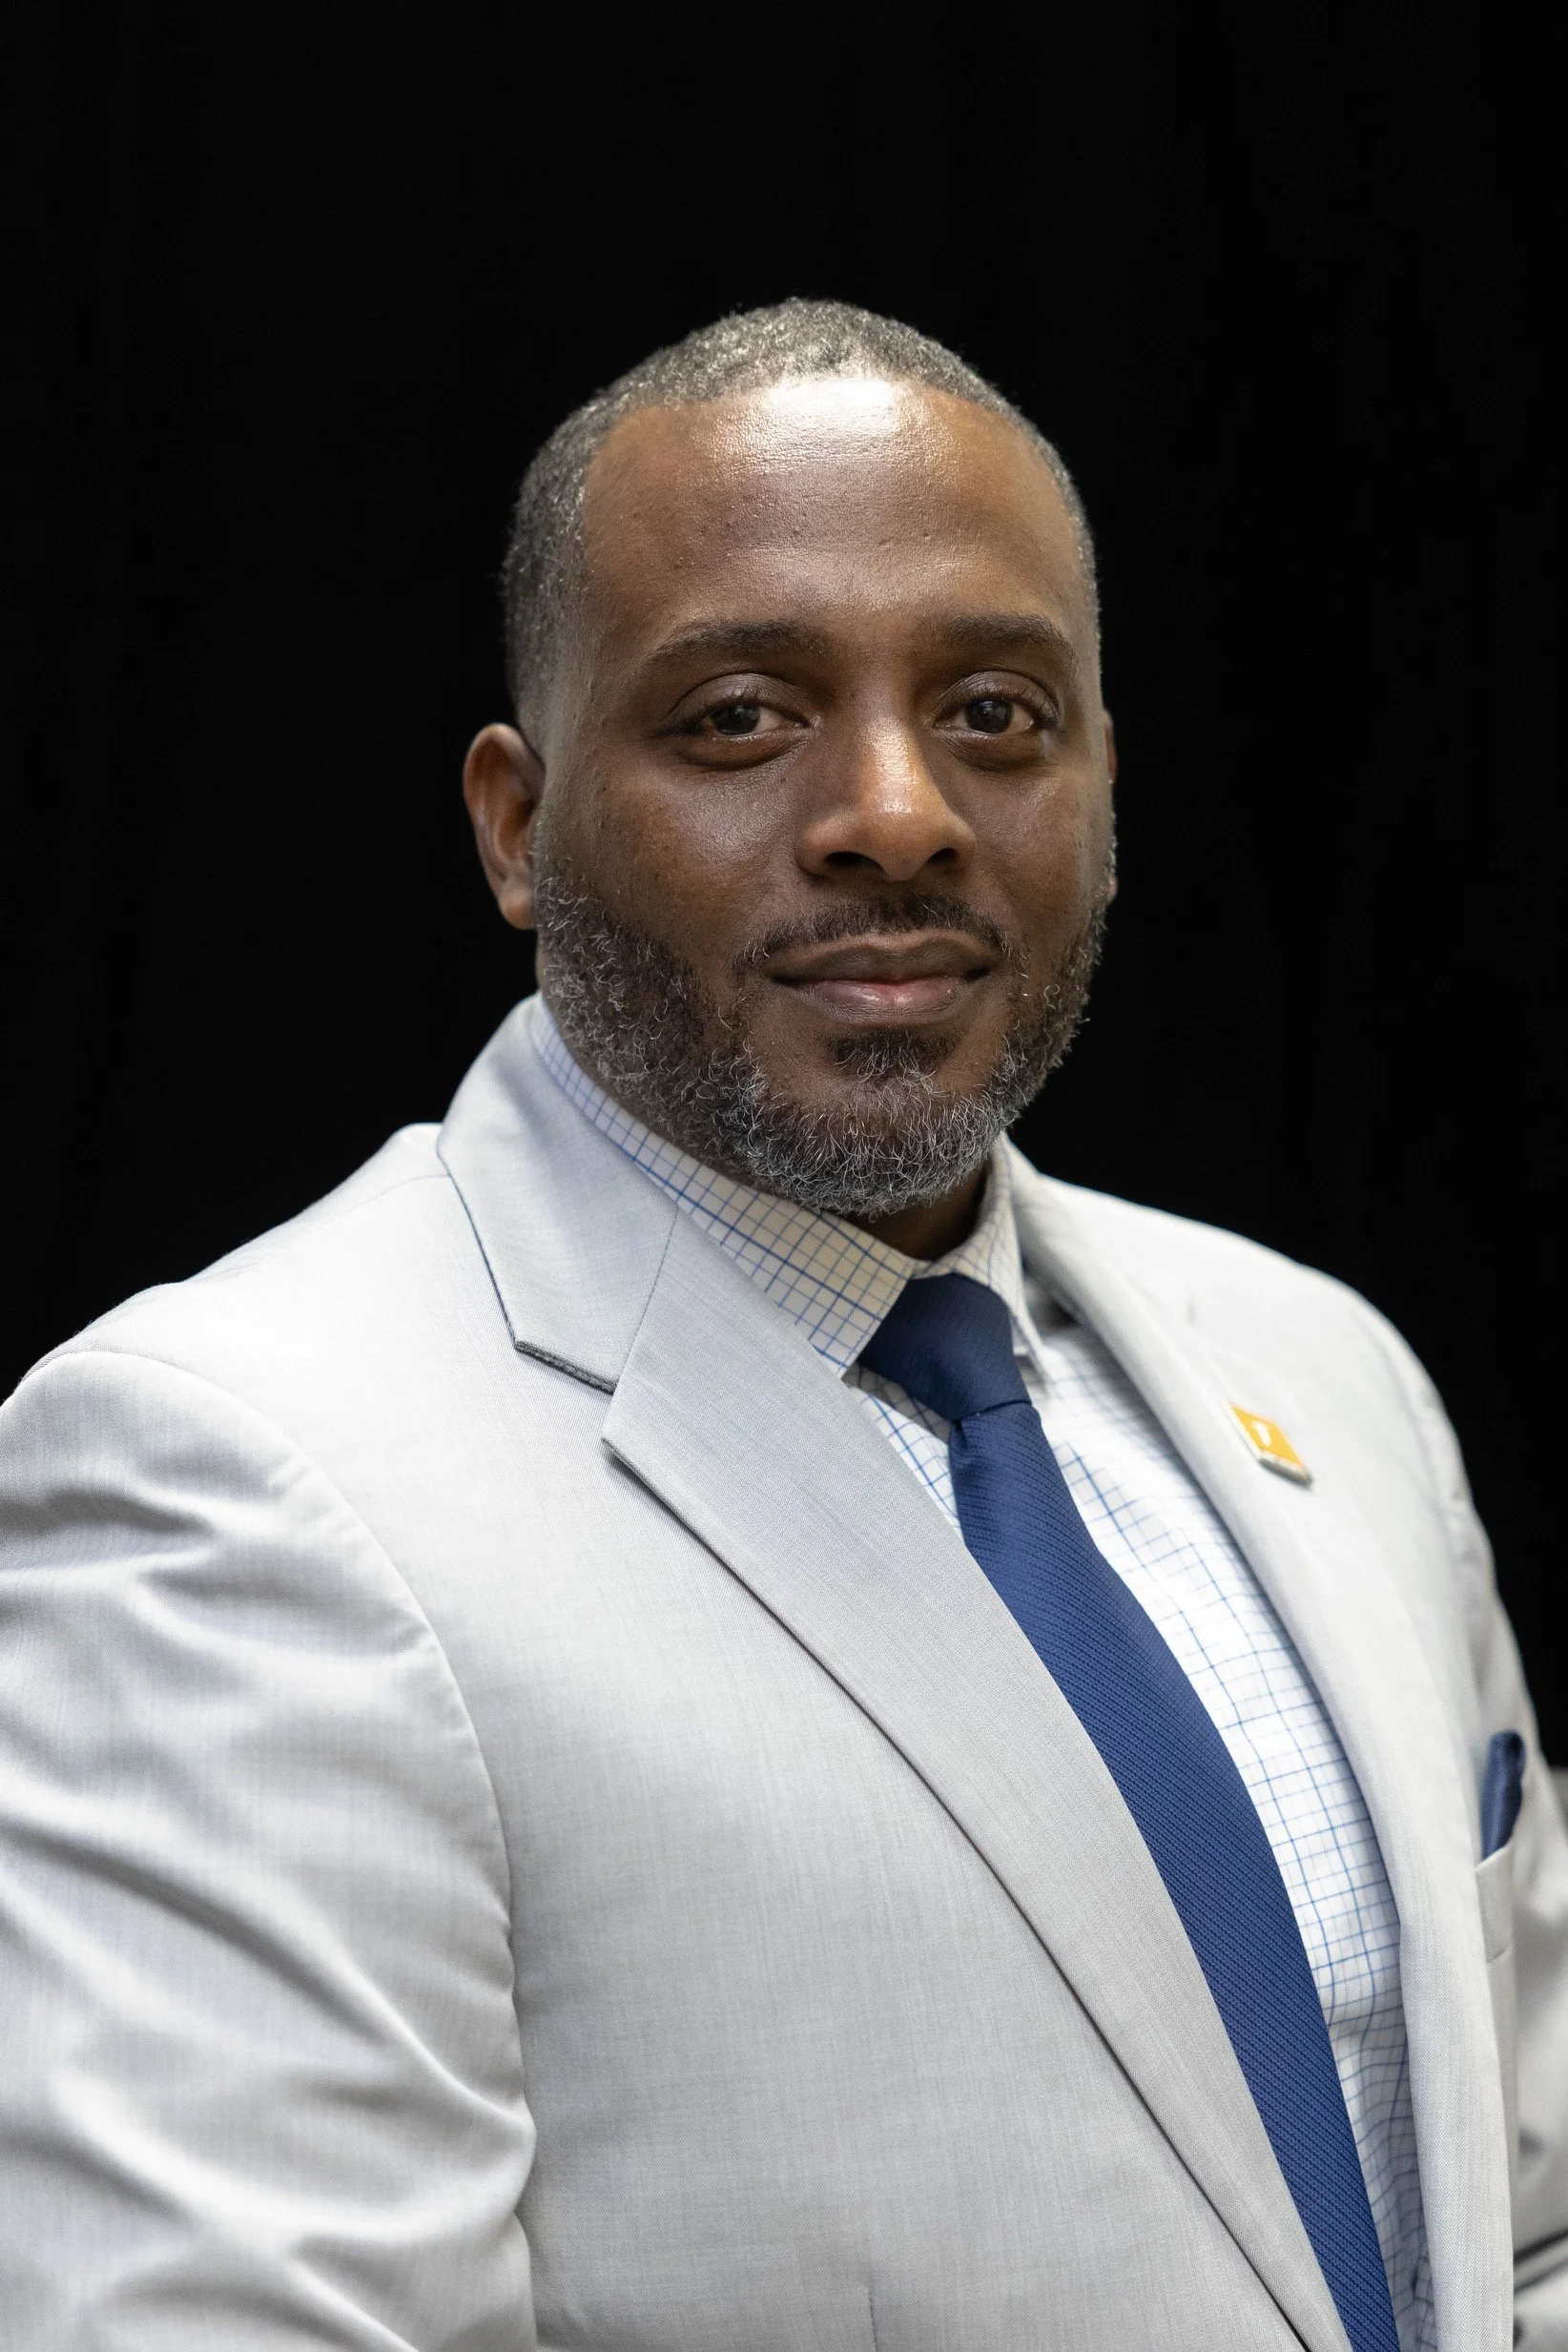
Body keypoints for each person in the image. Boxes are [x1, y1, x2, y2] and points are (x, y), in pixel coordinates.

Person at [1, 300, 1563, 2352]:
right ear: (515, 825)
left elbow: (1525, 2233)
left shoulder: (1326, 1373)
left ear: (1104, 779)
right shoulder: (239, 1481)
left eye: (996, 710)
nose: (899, 812)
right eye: (741, 716)